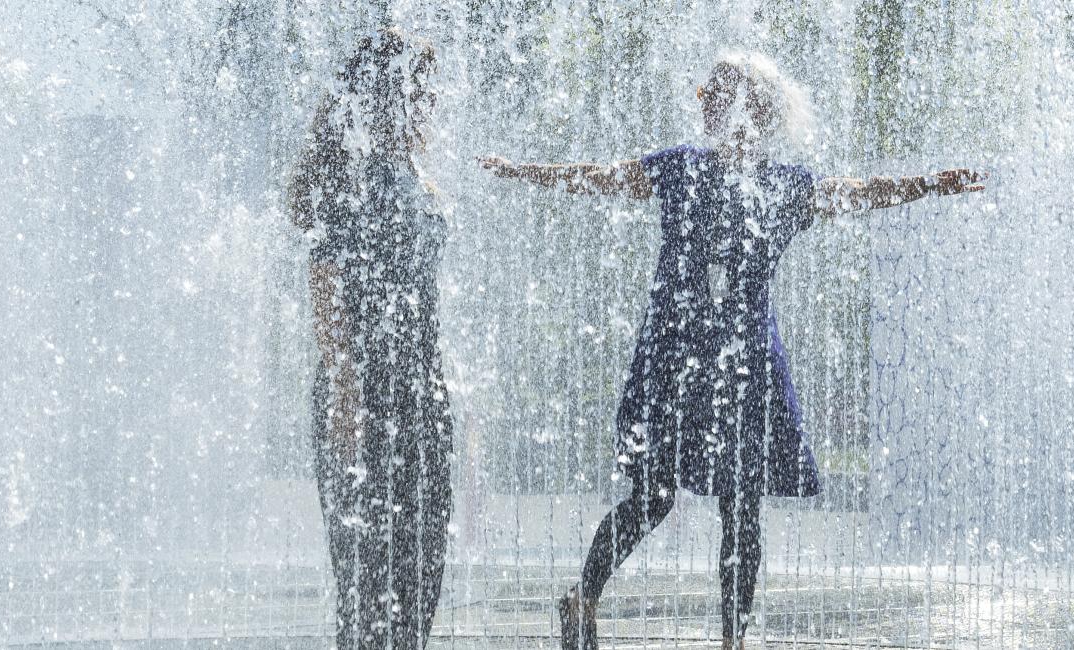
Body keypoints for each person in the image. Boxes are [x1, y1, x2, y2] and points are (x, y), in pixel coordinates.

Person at [481, 51, 987, 650]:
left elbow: (860, 193)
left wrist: (929, 184)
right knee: (654, 497)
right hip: (677, 359)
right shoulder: (681, 168)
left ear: (759, 109)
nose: (711, 102)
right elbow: (599, 177)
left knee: (741, 507)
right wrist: (523, 171)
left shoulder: (785, 185)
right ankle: (583, 597)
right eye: (711, 94)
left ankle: (732, 638)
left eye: (723, 92)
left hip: (745, 364)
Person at [287, 27, 453, 650]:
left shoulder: (412, 172)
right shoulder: (348, 176)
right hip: (362, 390)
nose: (432, 104)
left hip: (423, 390)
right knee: (365, 574)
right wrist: (346, 390)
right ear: (390, 94)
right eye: (422, 90)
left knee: (420, 566)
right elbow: (325, 284)